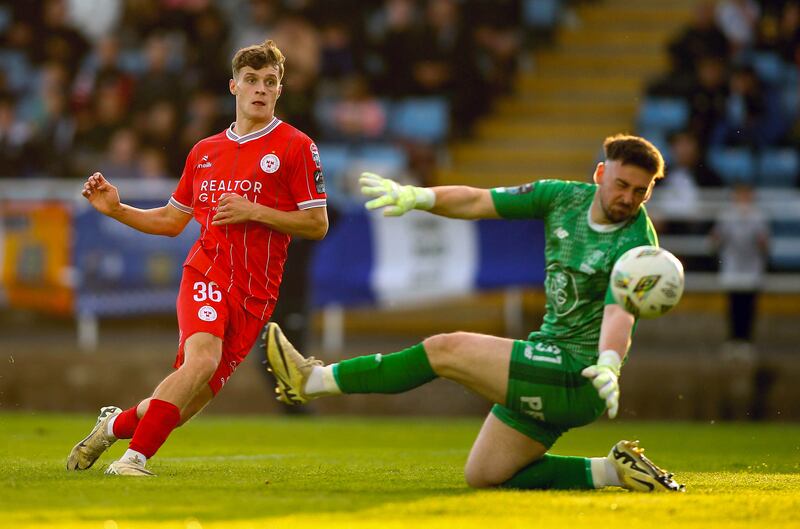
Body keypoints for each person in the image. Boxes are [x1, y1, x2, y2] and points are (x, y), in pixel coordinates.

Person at [265, 134, 685, 492]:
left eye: (640, 192)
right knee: (486, 473)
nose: (627, 198)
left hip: (579, 371)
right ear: (599, 175)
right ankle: (613, 471)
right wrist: (419, 197)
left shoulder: (635, 242)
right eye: (621, 184)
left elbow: (619, 312)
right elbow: (479, 201)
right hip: (548, 357)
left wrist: (609, 364)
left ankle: (313, 380)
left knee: (446, 350)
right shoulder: (562, 197)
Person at [67, 39, 329, 476]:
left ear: (280, 90)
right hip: (206, 271)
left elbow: (317, 224)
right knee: (201, 361)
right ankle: (133, 462)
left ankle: (113, 425)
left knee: (189, 400)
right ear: (234, 87)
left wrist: (254, 211)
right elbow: (172, 221)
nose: (260, 89)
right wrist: (117, 209)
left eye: (270, 82)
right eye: (251, 81)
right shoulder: (204, 152)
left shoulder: (296, 147)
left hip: (256, 294)